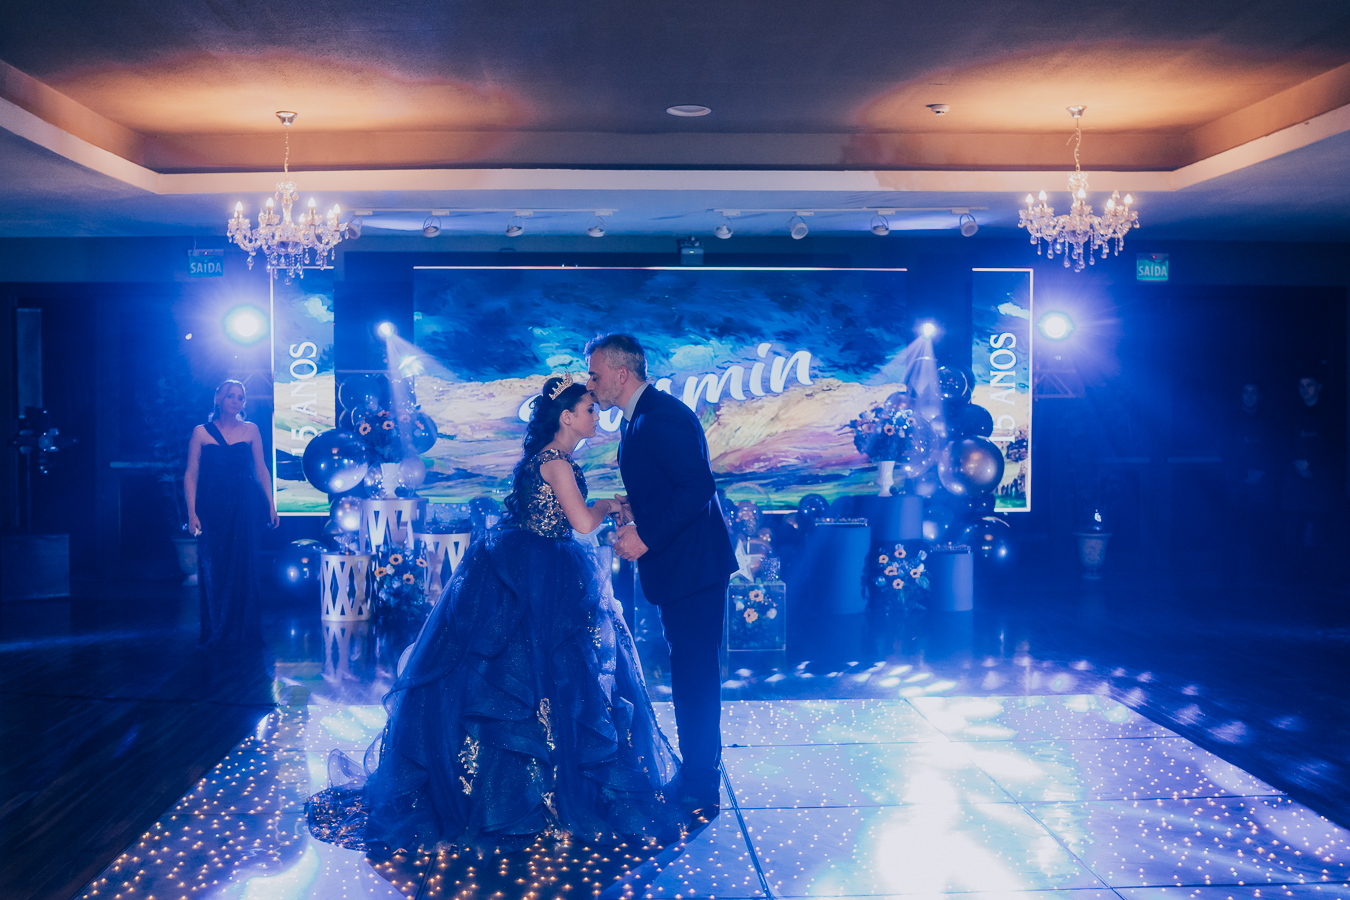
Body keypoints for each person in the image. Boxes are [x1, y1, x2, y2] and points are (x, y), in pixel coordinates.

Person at [307, 375, 686, 853]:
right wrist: (609, 504)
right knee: (541, 676)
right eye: (590, 409)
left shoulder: (546, 459)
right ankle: (524, 796)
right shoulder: (557, 463)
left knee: (525, 676)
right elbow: (582, 523)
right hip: (544, 574)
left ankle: (516, 788)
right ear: (567, 417)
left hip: (526, 566)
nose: (597, 416)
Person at [585, 334, 736, 819]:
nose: (591, 384)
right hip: (685, 567)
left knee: (695, 676)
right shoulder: (642, 417)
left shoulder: (661, 416)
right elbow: (673, 486)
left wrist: (645, 535)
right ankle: (697, 776)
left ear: (621, 373)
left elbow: (697, 486)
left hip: (694, 568)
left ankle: (701, 786)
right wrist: (636, 509)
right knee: (689, 671)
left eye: (595, 374)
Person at [183, 379, 277, 648]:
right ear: (218, 399)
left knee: (245, 565)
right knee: (214, 566)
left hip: (245, 506)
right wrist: (191, 512)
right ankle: (216, 629)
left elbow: (261, 469)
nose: (236, 401)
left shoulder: (251, 430)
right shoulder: (201, 432)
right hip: (212, 507)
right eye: (231, 396)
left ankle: (244, 630)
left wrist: (271, 504)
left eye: (240, 397)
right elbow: (191, 473)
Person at [1219, 382, 1277, 579]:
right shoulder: (1230, 421)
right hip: (1237, 483)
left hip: (1262, 482)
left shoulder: (1269, 421)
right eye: (1246, 392)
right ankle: (1229, 573)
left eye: (1253, 392)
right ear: (1241, 395)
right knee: (1232, 528)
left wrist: (1261, 473)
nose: (1249, 396)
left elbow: (1274, 452)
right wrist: (1244, 473)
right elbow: (1224, 450)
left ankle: (1261, 571)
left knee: (1262, 528)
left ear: (1260, 396)